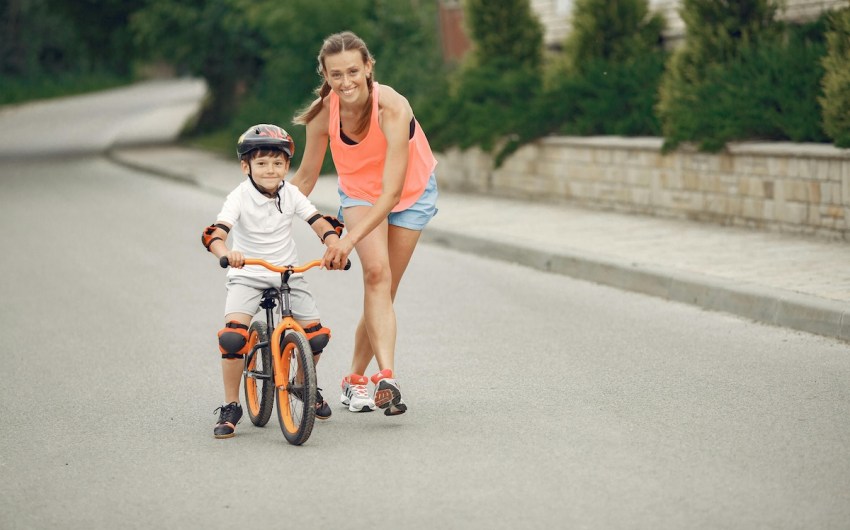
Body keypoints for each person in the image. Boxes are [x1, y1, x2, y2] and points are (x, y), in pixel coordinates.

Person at [291, 31, 439, 416]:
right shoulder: (324, 113)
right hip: (359, 192)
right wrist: (260, 208)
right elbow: (305, 178)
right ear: (325, 74)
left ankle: (354, 378)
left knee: (384, 291)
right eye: (336, 74)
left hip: (409, 191)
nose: (346, 82)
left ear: (369, 67)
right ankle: (386, 376)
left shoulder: (392, 107)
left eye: (353, 71)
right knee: (376, 275)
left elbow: (391, 193)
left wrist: (345, 240)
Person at [202, 123, 344, 439]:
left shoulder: (291, 193)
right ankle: (231, 405)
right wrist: (227, 253)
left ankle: (300, 382)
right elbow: (216, 232)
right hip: (248, 273)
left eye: (278, 163)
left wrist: (333, 244)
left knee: (316, 336)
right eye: (262, 163)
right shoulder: (238, 197)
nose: (270, 170)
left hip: (287, 272)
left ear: (286, 166)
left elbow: (318, 221)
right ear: (246, 166)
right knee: (233, 339)